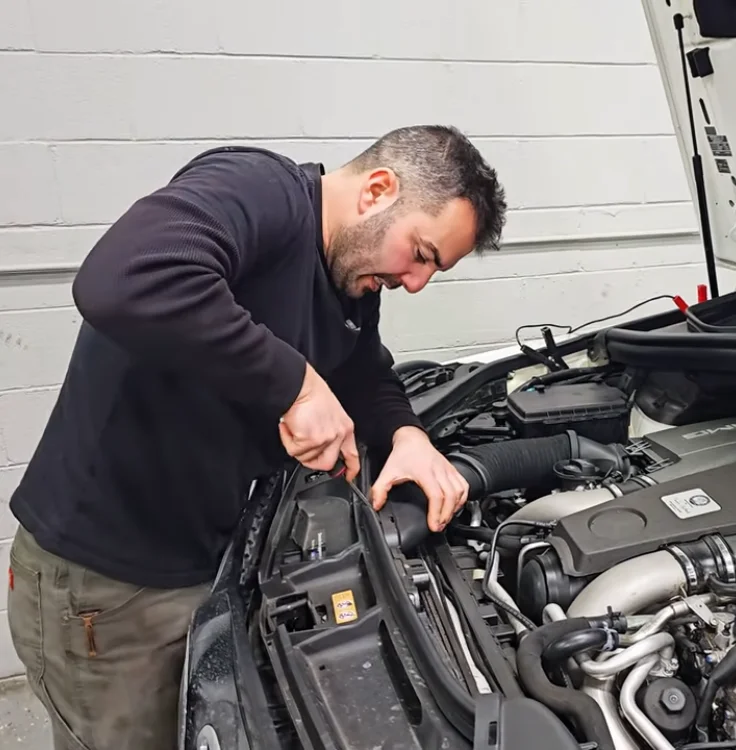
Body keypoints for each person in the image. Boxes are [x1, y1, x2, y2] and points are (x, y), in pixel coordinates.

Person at [5, 125, 508, 750]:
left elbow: (361, 368)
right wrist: (295, 386)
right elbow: (121, 278)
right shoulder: (258, 192)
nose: (417, 283)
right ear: (378, 190)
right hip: (107, 592)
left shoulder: (346, 275)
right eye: (422, 253)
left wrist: (407, 435)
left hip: (201, 564)